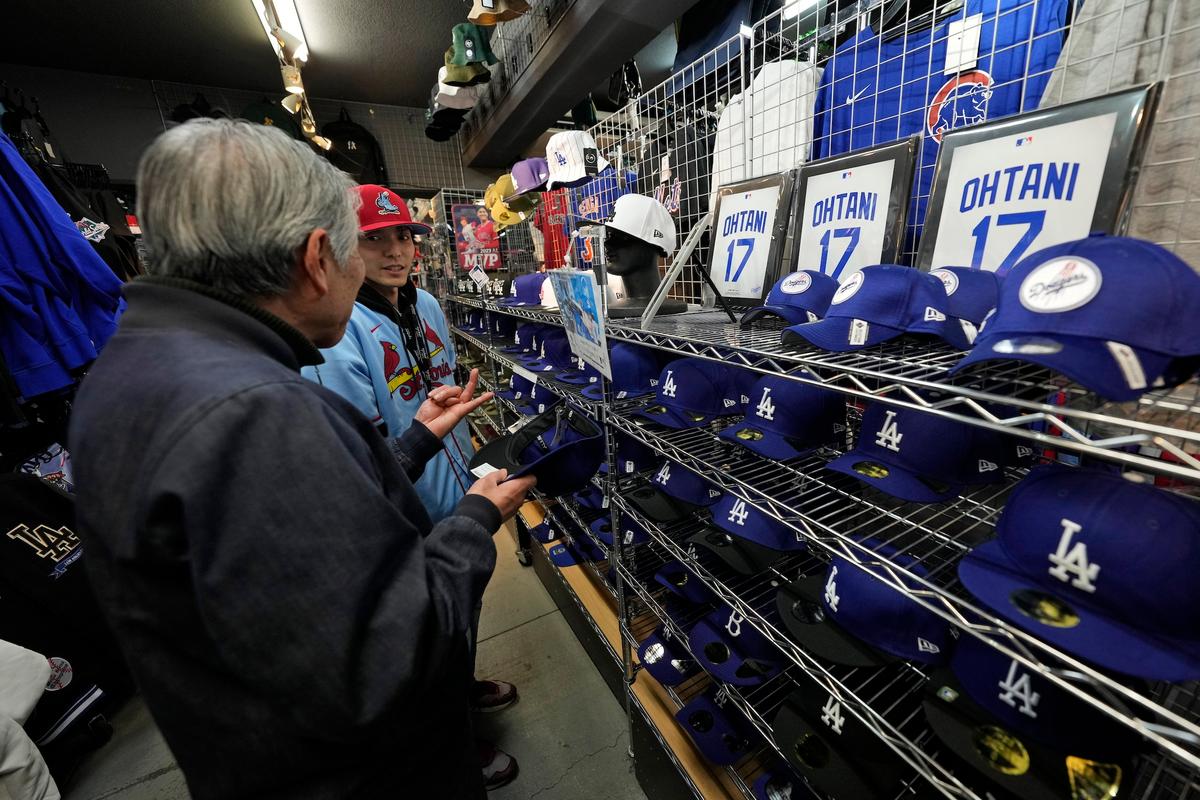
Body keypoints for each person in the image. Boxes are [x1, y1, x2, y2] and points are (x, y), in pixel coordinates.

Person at [67, 119, 535, 800]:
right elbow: (391, 655)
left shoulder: (142, 363)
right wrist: (473, 520)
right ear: (319, 257)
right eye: (358, 247)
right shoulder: (254, 411)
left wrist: (415, 441)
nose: (378, 261)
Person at [301, 184, 520, 789]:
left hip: (455, 485)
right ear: (343, 247)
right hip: (403, 504)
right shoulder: (340, 328)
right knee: (423, 634)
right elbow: (367, 452)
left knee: (463, 606)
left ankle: (462, 689)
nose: (396, 251)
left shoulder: (423, 303)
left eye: (404, 236)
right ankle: (452, 741)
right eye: (376, 239)